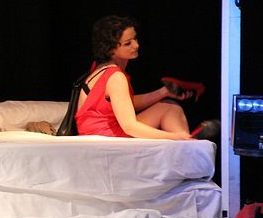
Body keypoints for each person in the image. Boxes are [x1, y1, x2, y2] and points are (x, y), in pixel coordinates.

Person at [75, 15, 214, 140]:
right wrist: (175, 137)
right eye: (128, 43)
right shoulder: (115, 77)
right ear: (109, 49)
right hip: (105, 137)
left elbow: (123, 103)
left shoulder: (99, 68)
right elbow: (130, 127)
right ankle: (186, 145)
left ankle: (186, 145)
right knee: (171, 110)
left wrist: (164, 92)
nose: (136, 45)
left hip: (98, 133)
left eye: (135, 39)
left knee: (169, 106)